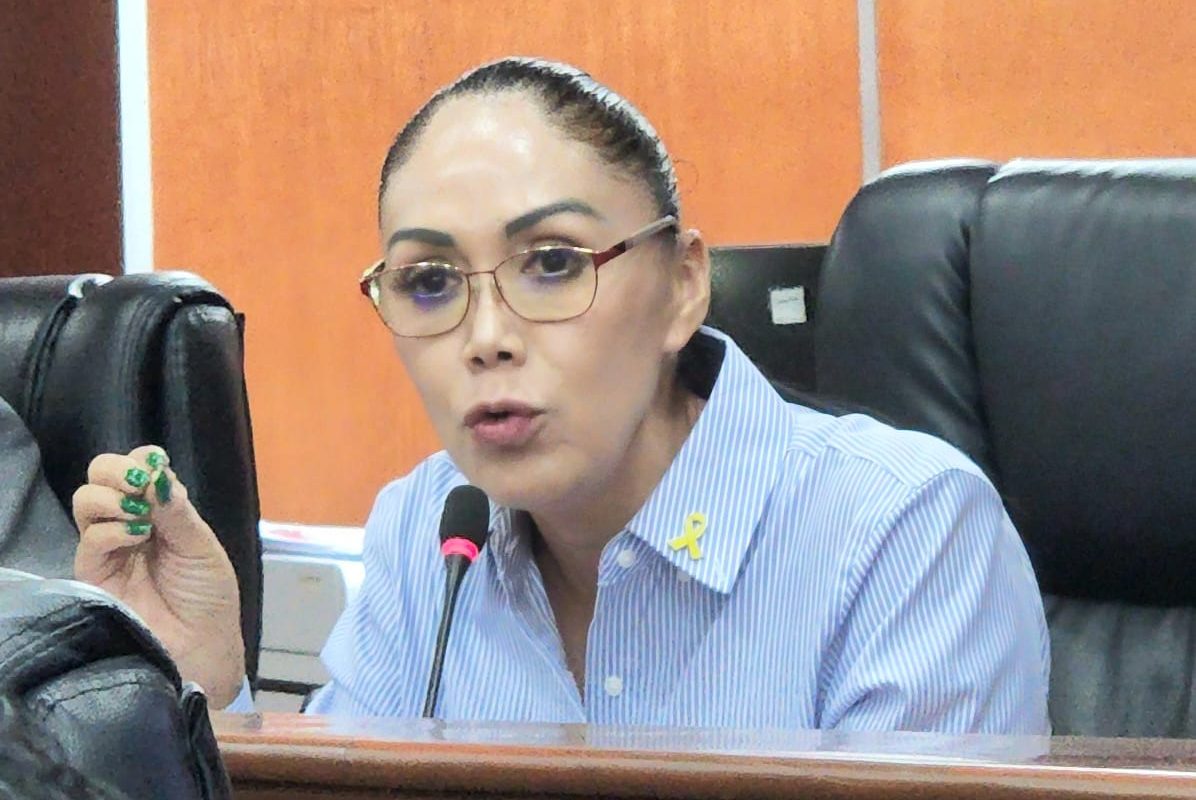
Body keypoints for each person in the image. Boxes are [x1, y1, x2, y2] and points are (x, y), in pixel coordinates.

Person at [72, 57, 1050, 732]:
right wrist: (206, 698)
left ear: (682, 286)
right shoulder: (427, 532)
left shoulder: (902, 534)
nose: (486, 337)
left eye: (551, 263)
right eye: (429, 282)